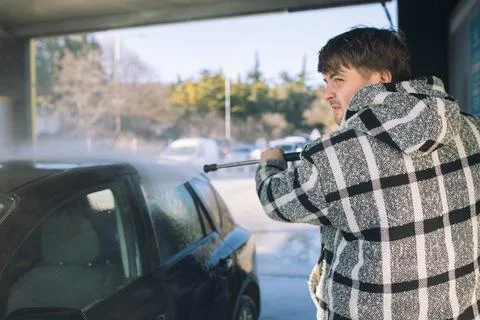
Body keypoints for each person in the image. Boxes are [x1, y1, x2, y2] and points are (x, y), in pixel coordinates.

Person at [255, 26, 480, 319]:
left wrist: (270, 164)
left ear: (382, 78)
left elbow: (276, 201)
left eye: (338, 79)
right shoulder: (472, 130)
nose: (327, 94)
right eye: (325, 81)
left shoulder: (334, 155)